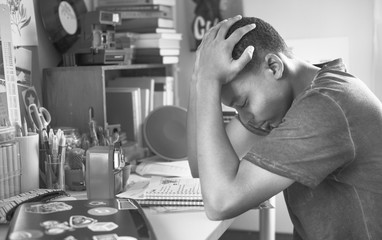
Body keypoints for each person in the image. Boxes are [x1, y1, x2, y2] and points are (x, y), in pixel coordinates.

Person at [187, 15, 382, 239]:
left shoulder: (326, 105)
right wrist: (199, 79)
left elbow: (221, 202)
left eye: (243, 103)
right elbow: (200, 166)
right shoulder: (289, 102)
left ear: (274, 67)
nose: (246, 118)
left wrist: (208, 81)